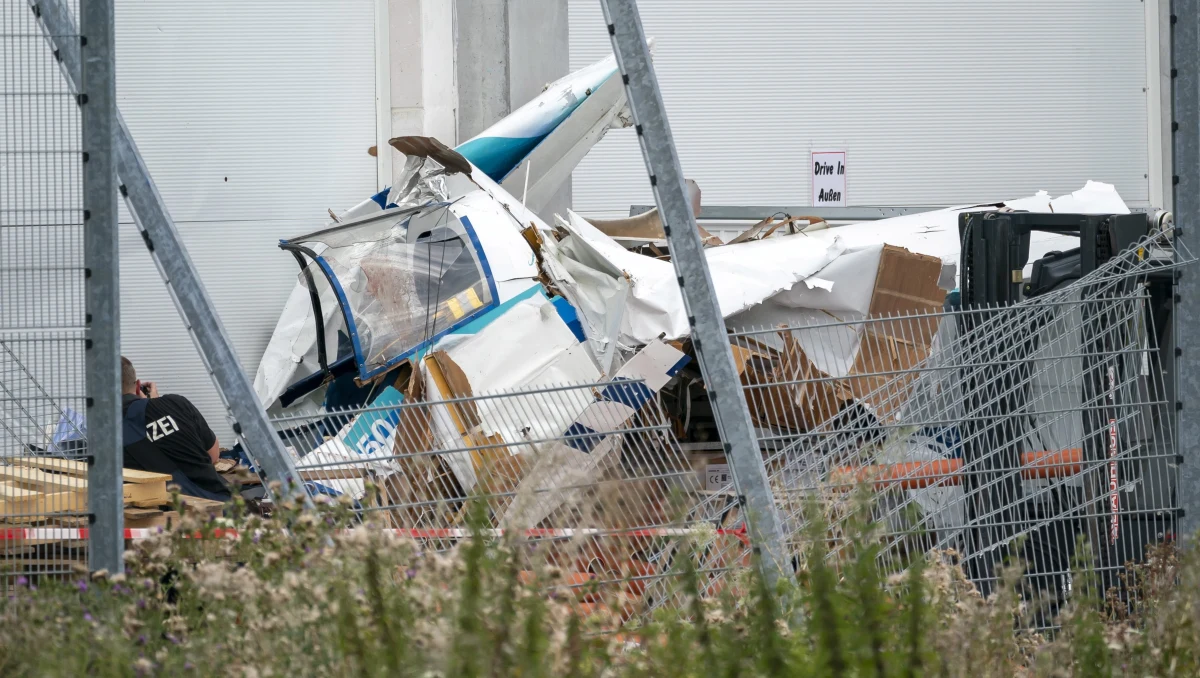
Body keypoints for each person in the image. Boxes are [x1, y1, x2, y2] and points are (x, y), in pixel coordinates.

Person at [120, 356, 231, 501]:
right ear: (137, 385)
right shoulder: (176, 403)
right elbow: (213, 454)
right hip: (220, 505)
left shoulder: (104, 436)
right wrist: (153, 405)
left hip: (165, 515)